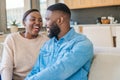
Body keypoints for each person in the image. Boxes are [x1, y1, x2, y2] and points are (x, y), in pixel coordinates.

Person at [25, 3, 93, 80]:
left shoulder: (82, 44)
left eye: (47, 19)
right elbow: (36, 70)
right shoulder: (48, 44)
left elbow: (60, 70)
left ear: (60, 20)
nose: (45, 24)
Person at [0, 9, 48, 80]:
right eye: (33, 19)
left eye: (40, 20)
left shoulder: (46, 41)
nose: (37, 23)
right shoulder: (12, 39)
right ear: (24, 23)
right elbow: (6, 66)